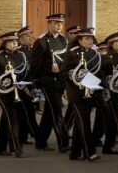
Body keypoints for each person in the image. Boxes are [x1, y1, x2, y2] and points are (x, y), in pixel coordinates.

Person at [29, 13, 70, 153]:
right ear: (49, 24)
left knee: (49, 112)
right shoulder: (41, 41)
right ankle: (63, 143)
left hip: (60, 81)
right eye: (56, 23)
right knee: (57, 111)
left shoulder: (64, 40)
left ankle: (40, 141)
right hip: (47, 81)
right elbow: (35, 64)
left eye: (61, 23)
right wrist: (34, 83)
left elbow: (66, 60)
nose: (59, 26)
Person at [62, 26, 103, 162]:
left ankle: (74, 153)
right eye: (87, 38)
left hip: (91, 92)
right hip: (77, 93)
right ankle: (89, 152)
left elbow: (99, 72)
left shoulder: (95, 54)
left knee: (81, 122)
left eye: (91, 38)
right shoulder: (71, 53)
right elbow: (64, 72)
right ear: (79, 40)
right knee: (84, 122)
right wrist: (73, 74)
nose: (90, 41)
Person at [0, 31, 28, 157]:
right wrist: (4, 78)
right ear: (5, 43)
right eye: (11, 42)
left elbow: (24, 72)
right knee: (12, 118)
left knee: (6, 119)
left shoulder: (21, 55)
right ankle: (16, 148)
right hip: (3, 93)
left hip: (17, 91)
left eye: (15, 41)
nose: (14, 43)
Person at [14, 26, 39, 147]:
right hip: (20, 86)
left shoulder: (34, 51)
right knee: (25, 112)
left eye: (31, 35)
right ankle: (37, 136)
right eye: (27, 36)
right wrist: (23, 87)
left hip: (31, 84)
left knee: (27, 112)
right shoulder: (17, 52)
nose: (31, 38)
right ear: (20, 39)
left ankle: (22, 137)